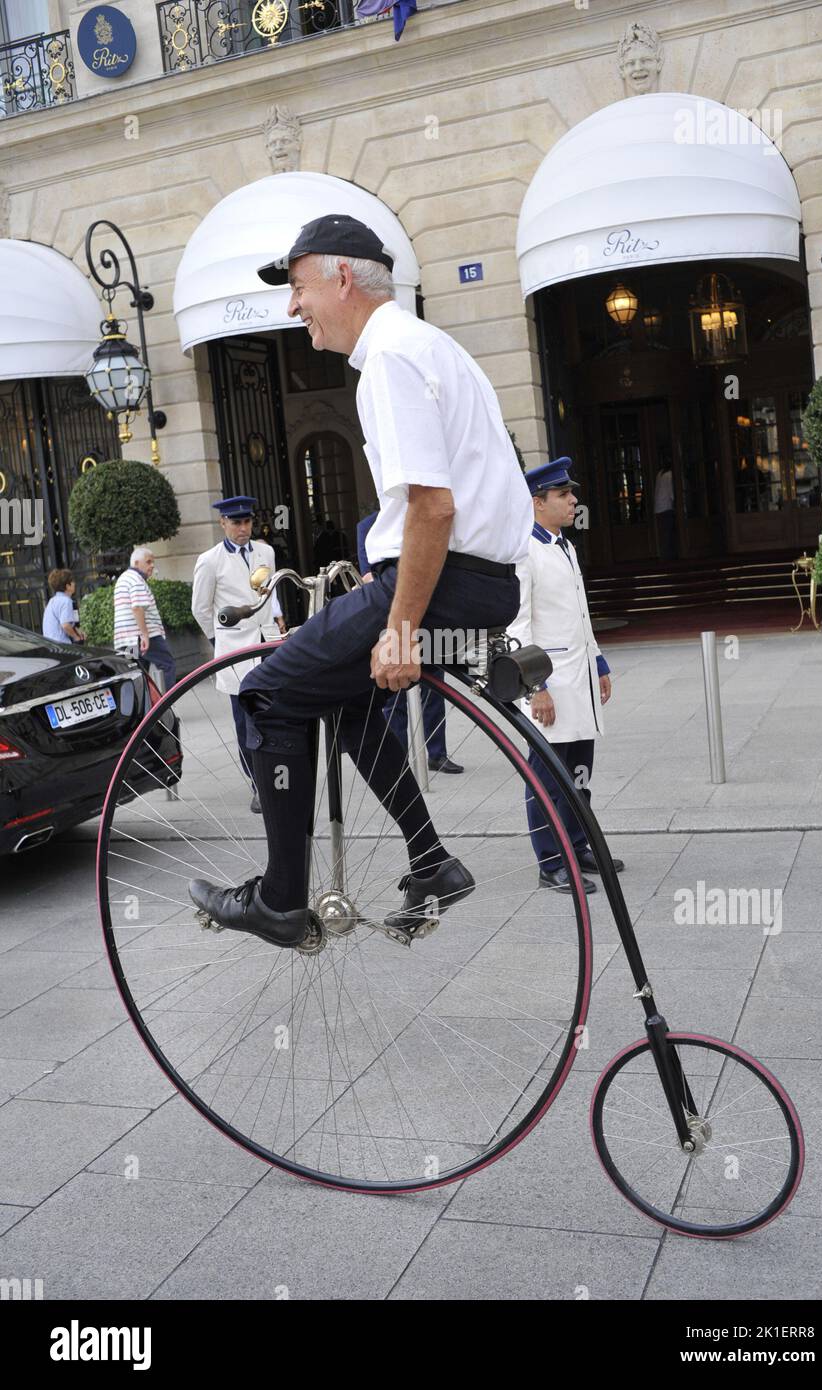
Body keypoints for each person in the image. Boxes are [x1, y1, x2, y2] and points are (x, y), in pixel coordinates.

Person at [188, 212, 532, 947]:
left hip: (440, 584)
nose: (292, 307)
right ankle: (430, 859)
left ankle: (279, 900)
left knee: (268, 691)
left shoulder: (393, 359)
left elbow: (432, 508)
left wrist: (402, 627)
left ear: (341, 277)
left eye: (298, 287)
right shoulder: (433, 347)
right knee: (341, 701)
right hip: (481, 585)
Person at [509, 459, 624, 895]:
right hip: (550, 683)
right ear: (538, 503)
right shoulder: (525, 550)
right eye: (564, 495)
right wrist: (534, 686)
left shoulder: (565, 545)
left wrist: (599, 662)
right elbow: (517, 626)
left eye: (571, 494)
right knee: (546, 777)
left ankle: (578, 846)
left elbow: (579, 615)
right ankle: (551, 861)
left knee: (579, 770)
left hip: (579, 678)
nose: (574, 501)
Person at [191, 496, 286, 813]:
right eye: (236, 523)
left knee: (276, 713)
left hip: (268, 643)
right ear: (223, 523)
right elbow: (201, 609)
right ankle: (259, 785)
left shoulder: (266, 551)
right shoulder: (210, 560)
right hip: (235, 651)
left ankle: (280, 777)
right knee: (247, 721)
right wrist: (220, 639)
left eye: (246, 522)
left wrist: (277, 619)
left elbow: (270, 591)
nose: (243, 528)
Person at [357, 510, 463, 773]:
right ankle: (399, 759)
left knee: (435, 690)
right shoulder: (369, 526)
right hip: (396, 617)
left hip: (430, 617)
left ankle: (437, 753)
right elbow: (369, 576)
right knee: (395, 695)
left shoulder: (423, 516)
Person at [113, 547, 177, 690]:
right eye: (148, 562)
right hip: (143, 637)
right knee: (168, 665)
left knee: (138, 675)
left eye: (153, 562)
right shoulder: (136, 580)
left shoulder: (124, 578)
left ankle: (146, 711)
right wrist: (145, 635)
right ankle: (165, 706)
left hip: (126, 639)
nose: (152, 566)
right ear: (136, 563)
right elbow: (137, 607)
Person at [42, 569, 85, 644]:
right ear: (68, 586)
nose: (74, 584)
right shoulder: (66, 601)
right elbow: (65, 625)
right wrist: (76, 637)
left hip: (50, 644)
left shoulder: (52, 601)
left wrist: (78, 631)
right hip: (61, 645)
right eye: (72, 582)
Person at [654, 459, 676, 559]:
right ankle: (668, 556)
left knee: (663, 533)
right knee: (668, 533)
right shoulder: (670, 475)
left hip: (658, 507)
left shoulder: (660, 474)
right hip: (666, 507)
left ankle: (664, 555)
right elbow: (672, 493)